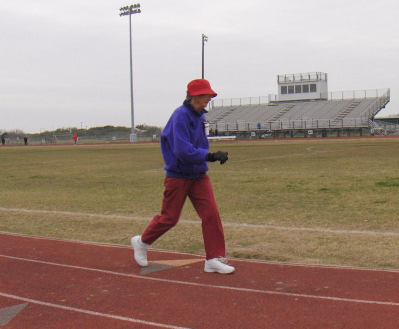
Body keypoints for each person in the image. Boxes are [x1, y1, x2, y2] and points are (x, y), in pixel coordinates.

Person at [131, 79, 235, 274]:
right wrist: (209, 156)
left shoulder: (201, 118)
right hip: (178, 176)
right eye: (206, 96)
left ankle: (213, 258)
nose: (208, 99)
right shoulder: (180, 116)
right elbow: (182, 150)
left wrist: (207, 157)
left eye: (210, 96)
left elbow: (200, 144)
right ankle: (141, 242)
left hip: (198, 175)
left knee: (211, 214)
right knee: (169, 218)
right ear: (194, 96)